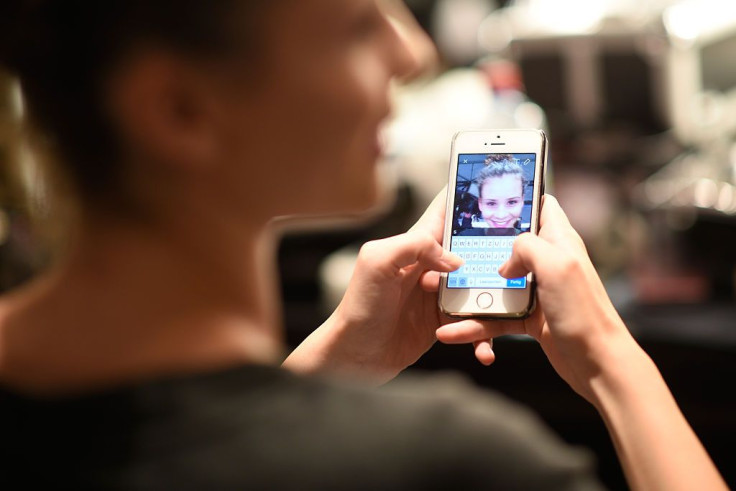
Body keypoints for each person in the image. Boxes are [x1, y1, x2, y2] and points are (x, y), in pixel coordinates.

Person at [0, 1, 727, 490]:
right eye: (355, 24)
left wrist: (331, 363)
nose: (413, 50)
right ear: (180, 110)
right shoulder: (448, 463)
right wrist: (610, 358)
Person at [476, 154, 526, 234]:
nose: (501, 215)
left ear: (522, 201)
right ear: (480, 204)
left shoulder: (530, 242)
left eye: (511, 202)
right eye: (491, 203)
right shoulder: (463, 239)